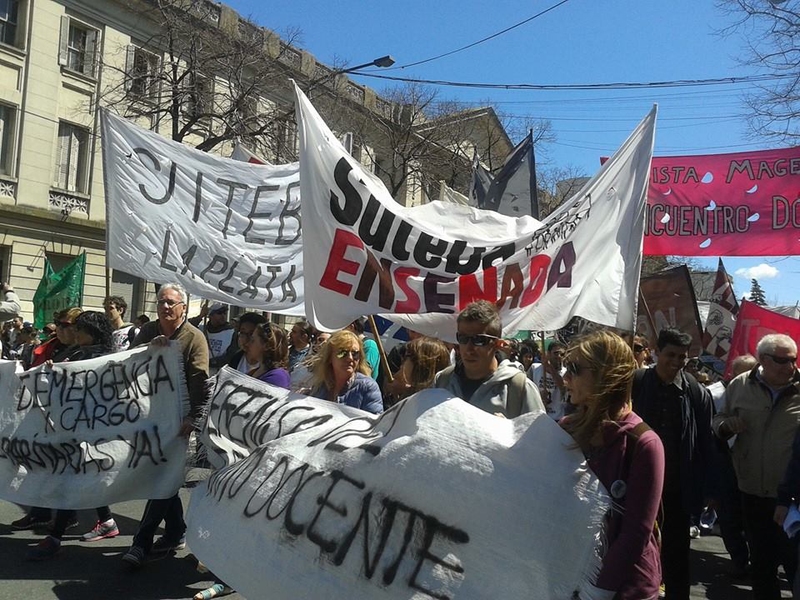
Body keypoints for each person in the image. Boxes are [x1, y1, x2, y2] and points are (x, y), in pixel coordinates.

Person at [561, 331, 665, 600]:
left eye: (574, 369)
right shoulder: (564, 431)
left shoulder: (644, 444)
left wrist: (596, 592)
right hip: (568, 580)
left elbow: (635, 534)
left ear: (605, 375)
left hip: (624, 588)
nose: (565, 378)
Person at [122, 283, 210, 568]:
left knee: (161, 477)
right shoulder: (149, 332)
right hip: (150, 419)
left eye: (171, 303)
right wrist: (149, 350)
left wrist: (193, 418)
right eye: (161, 302)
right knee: (163, 476)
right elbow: (128, 363)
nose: (165, 307)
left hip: (179, 424)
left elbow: (200, 381)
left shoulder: (194, 338)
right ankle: (175, 531)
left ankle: (141, 542)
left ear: (183, 307)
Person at [26, 311, 120, 560]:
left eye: (80, 329)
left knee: (72, 478)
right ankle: (107, 521)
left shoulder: (104, 358)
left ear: (93, 332)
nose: (75, 333)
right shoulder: (78, 353)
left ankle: (55, 536)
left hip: (90, 429)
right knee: (83, 476)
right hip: (74, 427)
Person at [714, 334, 800, 600]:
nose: (790, 366)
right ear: (762, 359)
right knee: (762, 567)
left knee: (795, 568)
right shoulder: (740, 385)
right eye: (782, 360)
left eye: (793, 360)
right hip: (751, 493)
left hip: (793, 502)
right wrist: (726, 426)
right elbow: (718, 418)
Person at [632, 328, 715, 600]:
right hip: (637, 486)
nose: (676, 362)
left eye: (682, 357)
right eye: (671, 355)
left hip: (677, 490)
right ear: (657, 352)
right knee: (636, 550)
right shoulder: (637, 383)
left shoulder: (695, 392)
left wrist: (707, 489)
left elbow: (706, 443)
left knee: (677, 557)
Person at [434, 300, 544, 418]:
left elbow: (540, 434)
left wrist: (510, 430)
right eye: (463, 338)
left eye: (479, 340)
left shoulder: (519, 388)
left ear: (497, 344)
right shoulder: (442, 381)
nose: (469, 348)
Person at [309, 330, 383, 414]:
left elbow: (375, 423)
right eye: (342, 353)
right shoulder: (320, 385)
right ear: (329, 357)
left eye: (355, 353)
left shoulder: (368, 387)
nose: (350, 358)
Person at [385, 336, 450, 406]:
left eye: (406, 357)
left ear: (420, 363)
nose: (402, 363)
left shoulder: (424, 404)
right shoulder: (441, 397)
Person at [529, 340, 570, 420]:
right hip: (538, 416)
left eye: (562, 354)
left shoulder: (565, 373)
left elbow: (563, 388)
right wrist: (539, 396)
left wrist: (550, 369)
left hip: (556, 418)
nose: (559, 356)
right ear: (548, 353)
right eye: (555, 353)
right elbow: (528, 390)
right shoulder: (534, 369)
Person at [244, 322, 291, 388]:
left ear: (267, 346)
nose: (247, 344)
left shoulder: (277, 377)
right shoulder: (254, 372)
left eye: (252, 340)